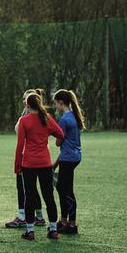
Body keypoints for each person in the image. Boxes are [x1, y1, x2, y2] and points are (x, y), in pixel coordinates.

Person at [14, 93, 65, 241]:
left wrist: (17, 166)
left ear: (27, 105)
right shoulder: (46, 118)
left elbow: (20, 146)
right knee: (48, 196)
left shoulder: (24, 121)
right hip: (45, 163)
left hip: (28, 163)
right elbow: (60, 133)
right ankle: (54, 230)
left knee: (29, 197)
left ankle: (30, 231)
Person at [5, 89, 47, 229]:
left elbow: (18, 131)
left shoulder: (28, 116)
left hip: (27, 157)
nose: (24, 101)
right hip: (38, 157)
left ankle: (22, 217)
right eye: (23, 98)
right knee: (32, 188)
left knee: (23, 188)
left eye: (26, 99)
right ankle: (40, 216)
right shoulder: (38, 115)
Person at [53, 89, 84, 235]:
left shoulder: (64, 120)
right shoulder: (74, 116)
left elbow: (58, 143)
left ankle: (72, 224)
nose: (55, 107)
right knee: (60, 187)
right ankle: (63, 220)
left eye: (56, 104)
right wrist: (55, 165)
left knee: (67, 190)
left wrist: (55, 137)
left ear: (60, 103)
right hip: (73, 156)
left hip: (69, 158)